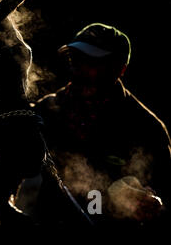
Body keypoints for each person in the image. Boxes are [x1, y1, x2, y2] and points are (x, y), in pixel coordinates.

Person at [32, 23, 171, 226]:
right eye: (76, 59)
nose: (80, 68)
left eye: (93, 62)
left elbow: (163, 193)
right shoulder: (46, 111)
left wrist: (149, 202)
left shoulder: (146, 128)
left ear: (119, 69)